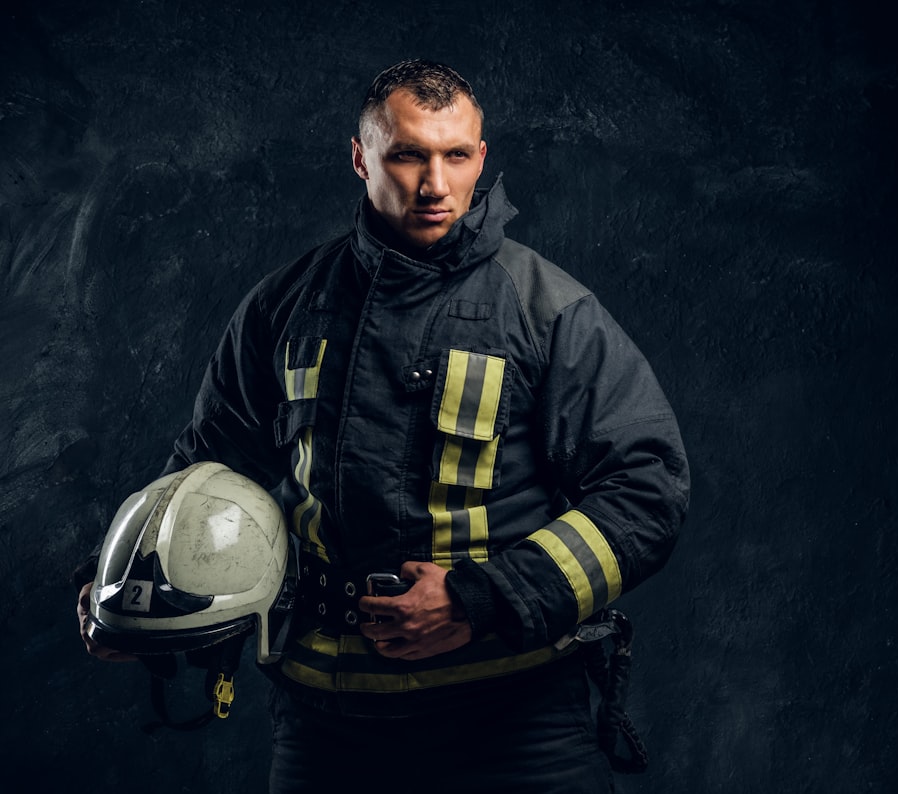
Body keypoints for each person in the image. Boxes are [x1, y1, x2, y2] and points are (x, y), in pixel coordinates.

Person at [75, 58, 690, 793]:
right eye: (408, 155)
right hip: (325, 726)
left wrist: (484, 597)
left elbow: (647, 492)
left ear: (481, 158)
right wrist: (117, 587)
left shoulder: (549, 311)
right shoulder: (284, 307)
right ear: (361, 156)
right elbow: (206, 471)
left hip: (514, 724)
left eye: (456, 155)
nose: (435, 184)